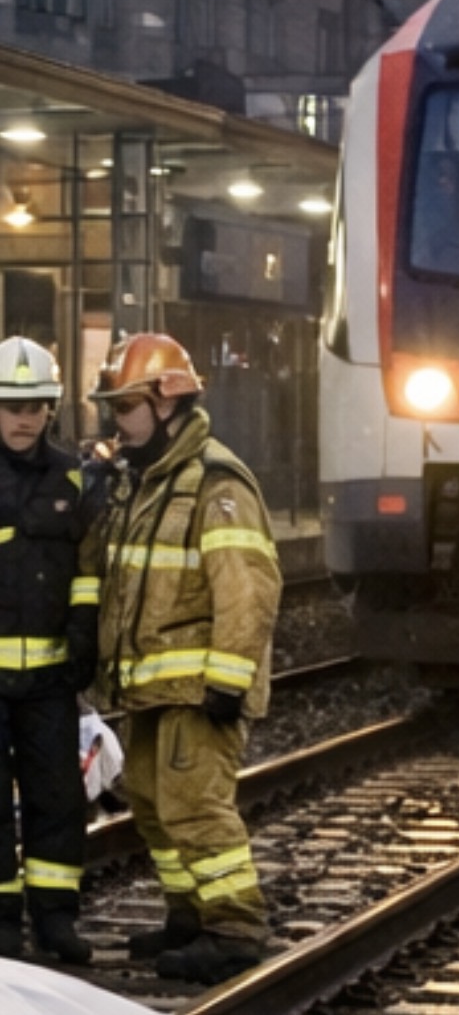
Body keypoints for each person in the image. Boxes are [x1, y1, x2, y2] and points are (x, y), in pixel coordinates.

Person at [86, 331, 281, 986]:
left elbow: (247, 589)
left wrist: (228, 681)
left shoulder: (215, 483)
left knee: (194, 807)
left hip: (199, 689)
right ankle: (189, 914)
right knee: (149, 801)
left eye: (124, 407)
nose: (115, 421)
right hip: (152, 685)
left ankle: (234, 930)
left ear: (165, 402)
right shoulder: (143, 482)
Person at [0, 337, 98, 966]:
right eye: (12, 406)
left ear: (51, 408)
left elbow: (87, 568)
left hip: (51, 679)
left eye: (35, 406)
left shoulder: (74, 477)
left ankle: (56, 920)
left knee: (58, 800)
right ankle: (2, 925)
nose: (24, 418)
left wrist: (84, 632)